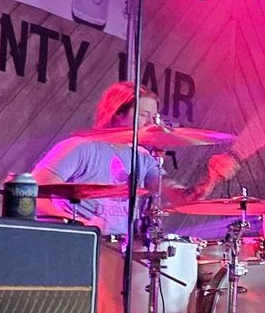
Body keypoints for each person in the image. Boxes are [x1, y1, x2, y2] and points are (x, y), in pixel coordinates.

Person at [34, 82, 238, 233]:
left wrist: (211, 178)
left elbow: (181, 197)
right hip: (78, 242)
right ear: (117, 113)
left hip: (120, 249)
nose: (151, 123)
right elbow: (32, 195)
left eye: (153, 117)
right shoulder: (79, 147)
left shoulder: (142, 157)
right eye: (143, 115)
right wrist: (78, 223)